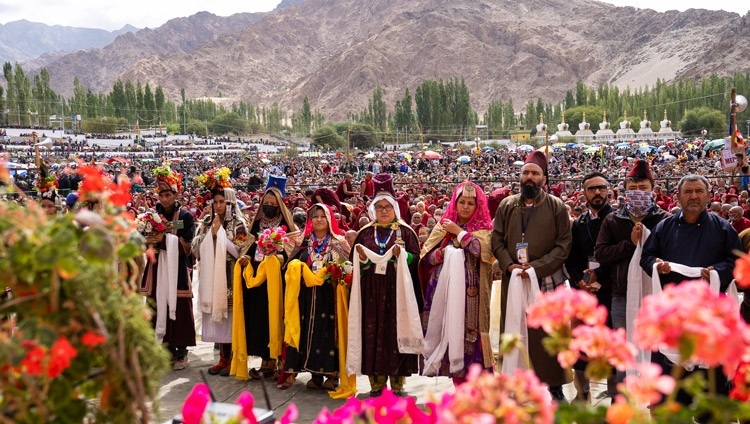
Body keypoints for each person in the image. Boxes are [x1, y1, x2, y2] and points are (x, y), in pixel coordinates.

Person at [640, 174, 742, 411]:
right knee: (669, 395)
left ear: (708, 195)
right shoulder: (663, 227)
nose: (693, 196)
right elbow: (646, 257)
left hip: (709, 318)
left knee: (710, 392)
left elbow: (737, 261)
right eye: (688, 191)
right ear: (679, 196)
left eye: (698, 191)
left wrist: (717, 270)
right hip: (672, 317)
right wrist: (657, 265)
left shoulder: (722, 228)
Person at [491, 150, 572, 402]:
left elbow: (563, 245)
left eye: (534, 173)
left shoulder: (556, 206)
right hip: (513, 279)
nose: (529, 177)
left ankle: (554, 385)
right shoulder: (507, 205)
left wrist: (537, 267)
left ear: (543, 179)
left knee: (547, 333)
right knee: (514, 329)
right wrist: (508, 265)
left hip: (545, 279)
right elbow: (496, 240)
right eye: (525, 172)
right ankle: (513, 383)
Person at [348, 173, 424, 397]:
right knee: (373, 333)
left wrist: (404, 257)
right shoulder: (364, 234)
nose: (383, 211)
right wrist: (360, 259)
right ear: (373, 209)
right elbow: (355, 265)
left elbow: (416, 260)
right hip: (371, 293)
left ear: (395, 209)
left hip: (397, 292)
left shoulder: (406, 232)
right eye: (379, 207)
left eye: (387, 207)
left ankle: (398, 383)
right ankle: (377, 383)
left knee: (395, 332)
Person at [595, 160, 668, 387]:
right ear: (625, 191)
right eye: (633, 188)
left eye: (643, 188)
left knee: (656, 348)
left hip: (655, 295)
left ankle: (656, 401)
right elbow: (602, 254)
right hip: (622, 293)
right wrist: (630, 243)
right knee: (623, 351)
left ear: (652, 190)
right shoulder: (613, 219)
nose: (638, 193)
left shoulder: (664, 219)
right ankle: (621, 403)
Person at [418, 181, 494, 385]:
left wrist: (459, 233)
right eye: (462, 202)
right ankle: (459, 390)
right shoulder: (443, 226)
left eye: (471, 203)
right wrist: (442, 254)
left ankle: (480, 392)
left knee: (473, 339)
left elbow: (481, 252)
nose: (466, 207)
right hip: (446, 294)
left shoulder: (485, 229)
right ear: (455, 202)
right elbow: (425, 257)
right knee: (450, 337)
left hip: (474, 296)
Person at [232, 175, 300, 381]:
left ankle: (282, 362)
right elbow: (248, 248)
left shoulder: (288, 228)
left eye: (273, 204)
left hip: (278, 280)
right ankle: (266, 361)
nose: (269, 206)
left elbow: (293, 251)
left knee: (278, 316)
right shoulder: (255, 226)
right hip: (257, 282)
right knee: (260, 319)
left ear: (280, 206)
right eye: (266, 203)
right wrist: (245, 259)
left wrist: (277, 256)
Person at [281, 203, 351, 391]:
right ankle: (315, 374)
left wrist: (339, 273)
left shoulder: (339, 242)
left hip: (330, 297)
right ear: (310, 220)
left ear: (329, 219)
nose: (319, 219)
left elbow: (349, 268)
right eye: (315, 216)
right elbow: (288, 266)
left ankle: (333, 375)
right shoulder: (302, 242)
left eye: (323, 216)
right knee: (309, 331)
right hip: (306, 297)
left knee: (329, 332)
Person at [191, 168, 250, 376]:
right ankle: (223, 357)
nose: (218, 206)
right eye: (215, 202)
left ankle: (233, 357)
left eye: (221, 202)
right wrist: (210, 234)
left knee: (230, 316)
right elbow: (196, 250)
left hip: (230, 274)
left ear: (230, 202)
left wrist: (220, 236)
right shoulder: (207, 222)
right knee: (218, 315)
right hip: (211, 274)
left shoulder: (239, 223)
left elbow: (240, 250)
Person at [139, 162, 196, 370]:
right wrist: (150, 239)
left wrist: (164, 239)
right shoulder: (151, 216)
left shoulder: (185, 216)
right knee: (155, 304)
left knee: (179, 307)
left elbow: (188, 247)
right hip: (156, 267)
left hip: (177, 269)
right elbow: (143, 239)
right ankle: (160, 351)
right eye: (161, 195)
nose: (164, 199)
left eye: (168, 194)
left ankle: (181, 352)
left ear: (176, 193)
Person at [565, 172, 615, 402]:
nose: (597, 192)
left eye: (601, 188)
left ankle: (614, 395)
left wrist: (600, 278)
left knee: (612, 347)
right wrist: (579, 282)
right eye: (592, 189)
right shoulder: (580, 223)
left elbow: (621, 257)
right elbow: (571, 258)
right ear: (584, 193)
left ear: (608, 190)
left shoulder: (618, 219)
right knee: (581, 347)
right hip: (584, 292)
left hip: (610, 291)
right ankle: (582, 393)